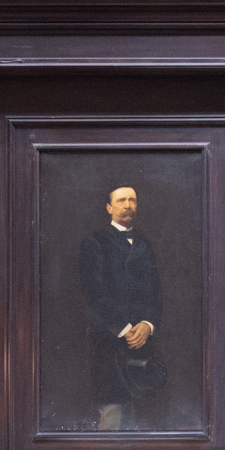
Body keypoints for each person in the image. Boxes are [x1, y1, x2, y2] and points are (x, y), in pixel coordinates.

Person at [79, 185, 165, 432]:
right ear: (109, 208)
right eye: (121, 200)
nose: (128, 205)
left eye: (132, 200)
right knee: (112, 415)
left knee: (141, 417)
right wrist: (125, 329)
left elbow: (155, 292)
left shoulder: (144, 244)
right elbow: (94, 292)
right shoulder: (94, 242)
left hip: (143, 343)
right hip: (110, 341)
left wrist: (148, 324)